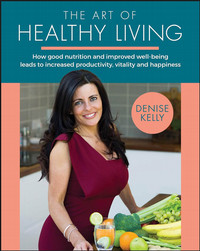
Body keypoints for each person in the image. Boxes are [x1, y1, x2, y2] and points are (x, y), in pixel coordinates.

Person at [38, 70, 142, 250]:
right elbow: (55, 203)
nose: (88, 108)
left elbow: (116, 177)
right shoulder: (64, 146)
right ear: (69, 109)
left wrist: (135, 210)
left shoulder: (110, 132)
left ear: (102, 99)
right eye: (78, 102)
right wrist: (76, 239)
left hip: (99, 239)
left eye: (93, 98)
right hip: (65, 241)